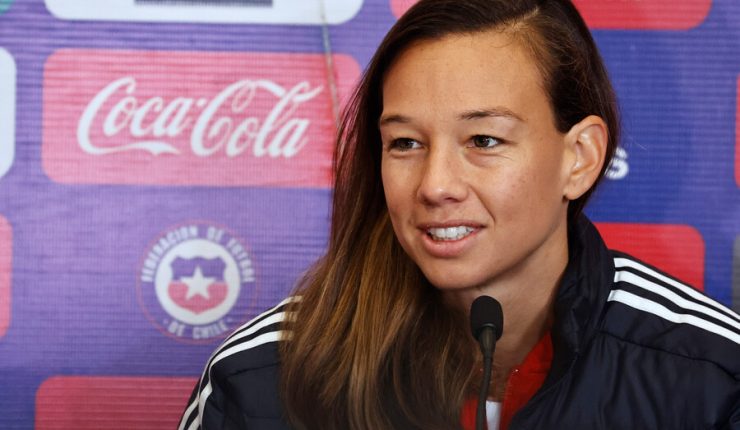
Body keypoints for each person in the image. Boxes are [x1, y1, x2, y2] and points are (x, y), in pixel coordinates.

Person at [178, 0, 740, 429]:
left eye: (484, 140)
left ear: (581, 157)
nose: (436, 185)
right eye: (404, 143)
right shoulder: (258, 378)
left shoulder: (712, 375)